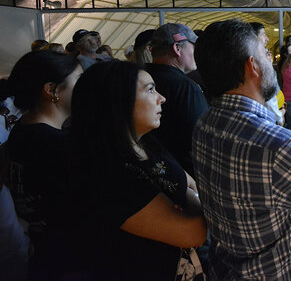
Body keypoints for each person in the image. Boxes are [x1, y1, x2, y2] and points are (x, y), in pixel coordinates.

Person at [192, 19, 291, 280]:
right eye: (265, 53)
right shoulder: (277, 145)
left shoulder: (205, 124)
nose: (270, 60)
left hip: (224, 270)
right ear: (251, 66)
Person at [44, 60, 206, 280]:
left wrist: (188, 196)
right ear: (116, 101)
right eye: (150, 89)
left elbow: (190, 183)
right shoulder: (108, 174)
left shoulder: (146, 144)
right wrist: (190, 197)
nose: (162, 98)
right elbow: (193, 232)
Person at [0, 51, 82, 268]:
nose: (86, 90)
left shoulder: (18, 133)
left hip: (42, 252)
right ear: (52, 90)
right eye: (80, 81)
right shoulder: (60, 144)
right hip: (69, 258)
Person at [145, 23, 208, 175]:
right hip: (184, 174)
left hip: (155, 169)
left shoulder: (140, 80)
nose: (196, 53)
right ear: (177, 48)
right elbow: (203, 138)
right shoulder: (186, 87)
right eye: (193, 47)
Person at [250, 22, 285, 125]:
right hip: (266, 116)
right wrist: (279, 116)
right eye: (263, 34)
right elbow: (268, 95)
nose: (267, 39)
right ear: (253, 37)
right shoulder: (258, 62)